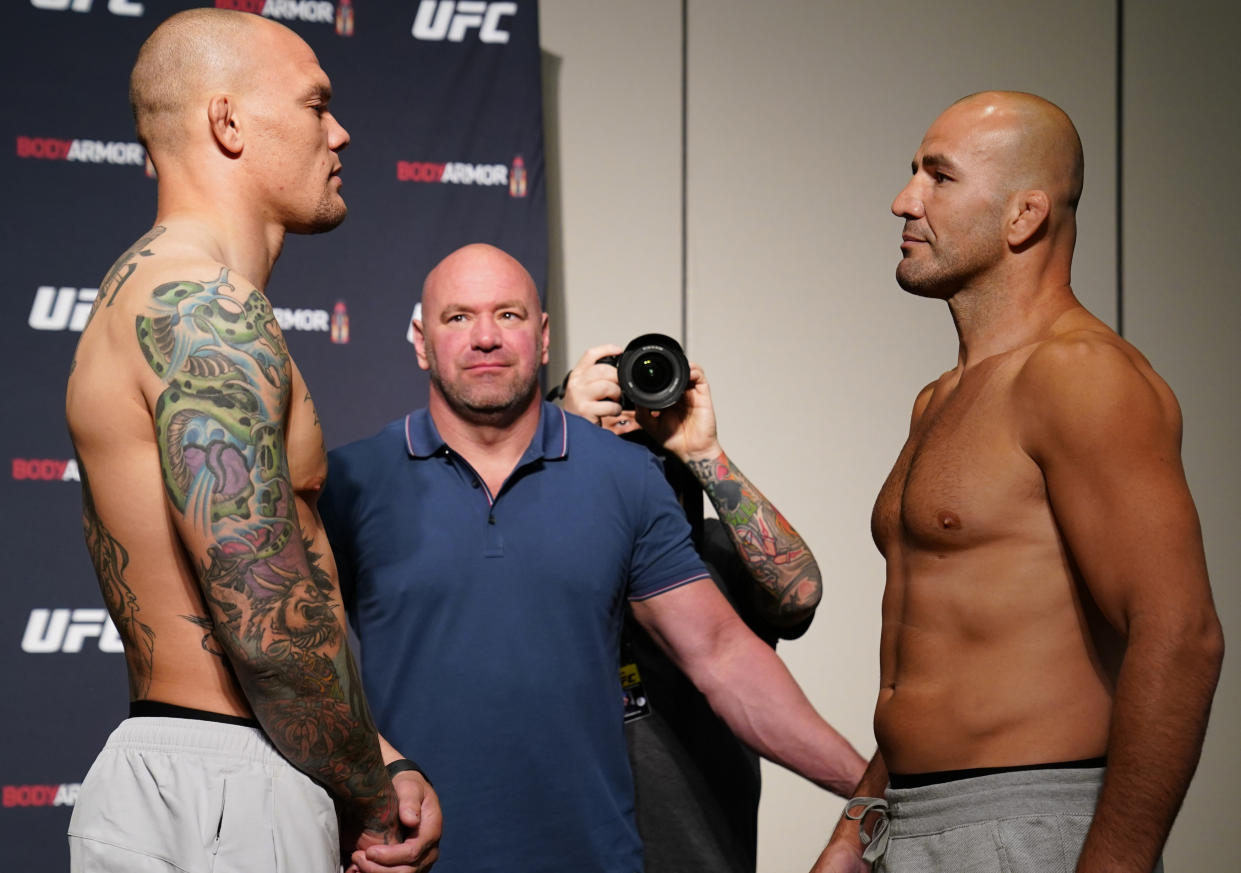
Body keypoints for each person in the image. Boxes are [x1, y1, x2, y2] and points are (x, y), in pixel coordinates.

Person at [320, 242, 866, 873]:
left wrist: (873, 790)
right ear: (421, 339)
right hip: (411, 860)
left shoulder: (625, 476)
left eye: (510, 315)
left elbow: (722, 656)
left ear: (543, 335)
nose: (486, 338)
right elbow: (291, 665)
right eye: (459, 317)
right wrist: (362, 787)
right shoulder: (351, 481)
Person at [64, 10, 439, 873]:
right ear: (227, 122)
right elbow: (266, 620)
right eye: (316, 104)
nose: (340, 132)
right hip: (229, 787)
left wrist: (378, 754)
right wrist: (369, 798)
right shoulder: (203, 311)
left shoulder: (157, 289)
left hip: (199, 767)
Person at [812, 91, 1224, 873]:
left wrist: (1115, 863)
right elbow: (940, 655)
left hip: (1025, 827)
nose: (903, 200)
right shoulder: (939, 397)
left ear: (1023, 216)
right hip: (910, 819)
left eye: (938, 176)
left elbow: (1181, 639)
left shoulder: (1079, 376)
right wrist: (856, 827)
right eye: (911, 173)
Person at [559, 348, 824, 872]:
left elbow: (798, 595)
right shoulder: (541, 563)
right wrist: (565, 439)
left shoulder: (713, 554)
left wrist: (701, 449)